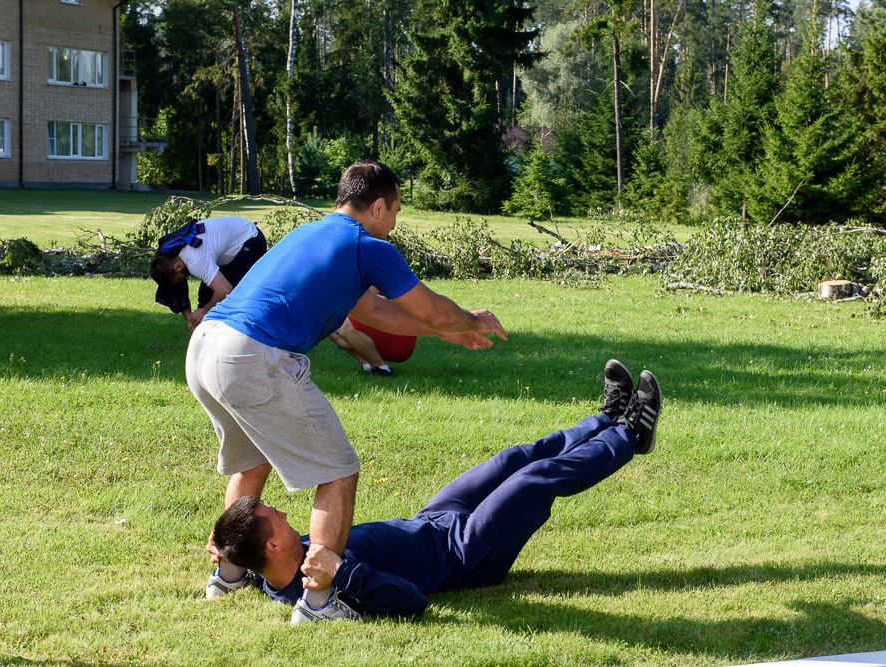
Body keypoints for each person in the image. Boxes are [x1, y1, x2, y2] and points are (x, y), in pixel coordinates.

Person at [186, 161, 508, 622]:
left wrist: (444, 333)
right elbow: (432, 308)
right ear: (377, 206)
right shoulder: (366, 245)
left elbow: (374, 310)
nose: (394, 223)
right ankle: (318, 601)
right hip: (251, 355)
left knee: (249, 462)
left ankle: (231, 574)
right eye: (395, 210)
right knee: (336, 472)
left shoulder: (312, 234)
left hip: (205, 348)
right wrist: (469, 321)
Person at [209, 361, 662, 623]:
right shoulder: (319, 586)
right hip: (464, 553)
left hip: (432, 519)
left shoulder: (271, 569)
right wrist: (342, 573)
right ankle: (630, 436)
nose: (287, 515)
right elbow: (411, 602)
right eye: (277, 518)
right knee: (533, 480)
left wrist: (228, 555)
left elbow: (248, 566)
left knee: (510, 459)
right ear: (271, 544)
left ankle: (606, 418)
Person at [150, 216, 267, 332]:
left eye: (180, 279)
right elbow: (177, 291)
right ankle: (204, 337)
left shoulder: (196, 260)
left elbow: (225, 290)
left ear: (177, 267)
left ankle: (237, 336)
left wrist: (204, 311)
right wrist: (191, 320)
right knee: (206, 297)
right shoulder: (168, 256)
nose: (182, 281)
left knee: (232, 300)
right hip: (227, 248)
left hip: (250, 240)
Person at [328, 289, 419, 377]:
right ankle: (367, 364)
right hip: (387, 328)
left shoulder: (368, 274)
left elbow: (367, 303)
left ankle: (381, 368)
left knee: (343, 324)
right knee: (325, 325)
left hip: (399, 338)